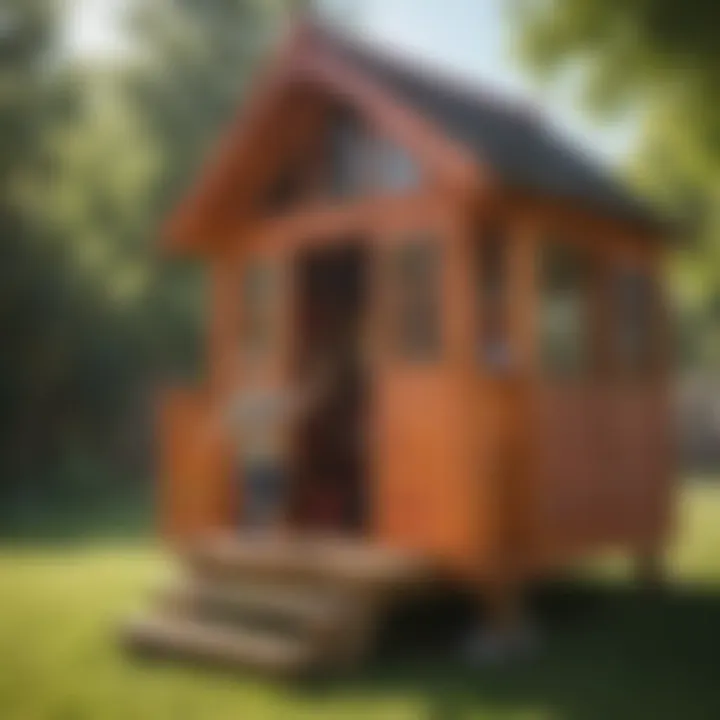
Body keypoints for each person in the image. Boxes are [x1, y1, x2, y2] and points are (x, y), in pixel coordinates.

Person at [226, 360, 328, 532]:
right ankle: (260, 536)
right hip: (262, 463)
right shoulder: (266, 401)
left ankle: (259, 536)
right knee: (264, 506)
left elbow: (301, 404)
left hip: (262, 463)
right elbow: (302, 404)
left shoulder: (250, 402)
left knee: (262, 506)